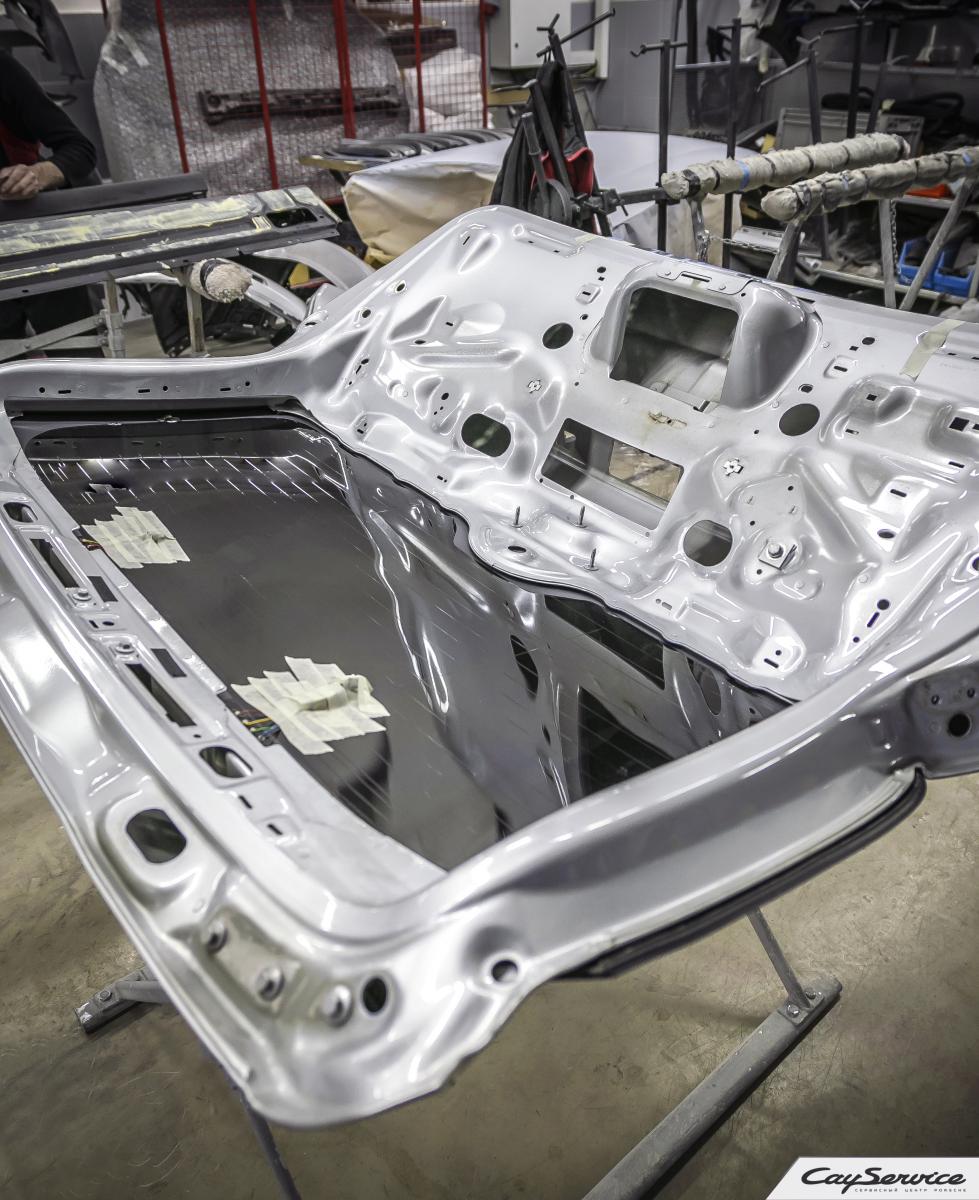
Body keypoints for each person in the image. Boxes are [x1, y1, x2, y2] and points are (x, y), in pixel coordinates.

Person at [0, 48, 101, 356]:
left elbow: (79, 149)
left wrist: (38, 174)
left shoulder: (2, 69)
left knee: (77, 364)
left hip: (30, 245)